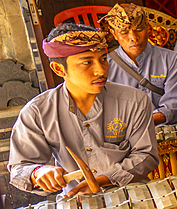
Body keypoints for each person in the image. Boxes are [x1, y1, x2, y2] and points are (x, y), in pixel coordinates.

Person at [8, 24, 157, 198]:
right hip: (77, 204)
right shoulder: (37, 112)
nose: (101, 71)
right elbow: (19, 169)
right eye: (87, 62)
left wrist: (103, 179)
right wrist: (38, 172)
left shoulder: (135, 101)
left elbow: (145, 155)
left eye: (103, 59)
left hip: (132, 197)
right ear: (59, 69)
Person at [103, 3, 177, 125]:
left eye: (139, 29)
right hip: (127, 131)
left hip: (169, 126)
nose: (134, 38)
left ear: (148, 27)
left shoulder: (172, 59)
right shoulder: (105, 67)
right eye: (124, 32)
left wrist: (140, 124)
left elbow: (172, 106)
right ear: (114, 34)